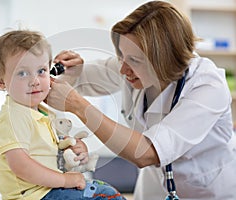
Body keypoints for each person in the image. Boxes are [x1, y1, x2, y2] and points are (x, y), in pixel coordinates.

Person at [47, 1, 236, 200]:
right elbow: (79, 80)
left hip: (205, 191)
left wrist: (79, 106)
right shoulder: (130, 65)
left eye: (135, 61)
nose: (122, 70)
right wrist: (70, 73)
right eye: (121, 57)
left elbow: (146, 153)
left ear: (165, 59)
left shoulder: (207, 85)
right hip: (153, 188)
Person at [0, 30, 126, 200]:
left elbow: (44, 155)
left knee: (106, 192)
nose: (35, 81)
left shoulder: (42, 114)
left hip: (48, 191)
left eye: (41, 70)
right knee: (105, 196)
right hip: (36, 196)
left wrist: (71, 149)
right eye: (22, 73)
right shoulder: (14, 116)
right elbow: (21, 166)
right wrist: (64, 180)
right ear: (1, 81)